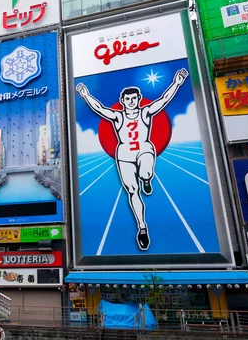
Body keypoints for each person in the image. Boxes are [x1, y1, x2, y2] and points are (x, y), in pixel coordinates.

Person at [76, 68, 189, 251]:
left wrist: (177, 83)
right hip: (124, 154)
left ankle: (146, 180)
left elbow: (163, 100)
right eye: (127, 99)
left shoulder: (145, 113)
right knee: (132, 190)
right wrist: (85, 94)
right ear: (123, 101)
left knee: (145, 172)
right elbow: (99, 108)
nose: (130, 102)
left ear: (138, 99)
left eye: (133, 99)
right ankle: (142, 228)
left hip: (144, 148)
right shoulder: (118, 116)